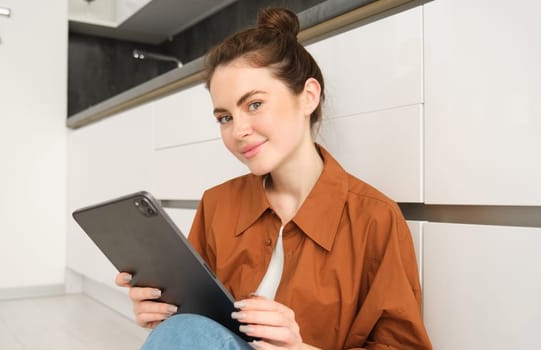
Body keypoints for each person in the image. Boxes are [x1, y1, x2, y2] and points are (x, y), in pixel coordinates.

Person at [115, 7, 432, 350]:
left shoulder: (374, 218)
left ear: (308, 96)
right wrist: (161, 311)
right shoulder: (217, 204)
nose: (238, 131)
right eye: (224, 117)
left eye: (253, 105)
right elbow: (195, 327)